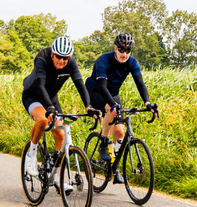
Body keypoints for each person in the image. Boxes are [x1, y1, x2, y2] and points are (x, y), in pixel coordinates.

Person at [21, 36, 99, 178]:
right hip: (33, 95)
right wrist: (49, 108)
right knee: (43, 120)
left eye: (65, 58)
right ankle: (31, 155)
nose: (62, 61)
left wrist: (89, 107)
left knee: (61, 133)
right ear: (52, 54)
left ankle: (55, 174)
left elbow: (80, 85)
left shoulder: (71, 63)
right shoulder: (42, 58)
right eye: (58, 57)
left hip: (51, 98)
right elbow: (40, 86)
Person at [85, 32, 157, 182]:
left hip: (113, 94)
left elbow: (140, 83)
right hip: (95, 92)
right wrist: (112, 105)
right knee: (110, 109)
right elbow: (103, 87)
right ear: (115, 48)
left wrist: (147, 103)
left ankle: (114, 167)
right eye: (121, 50)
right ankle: (104, 143)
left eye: (128, 51)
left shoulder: (132, 62)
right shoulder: (103, 61)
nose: (124, 54)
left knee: (119, 131)